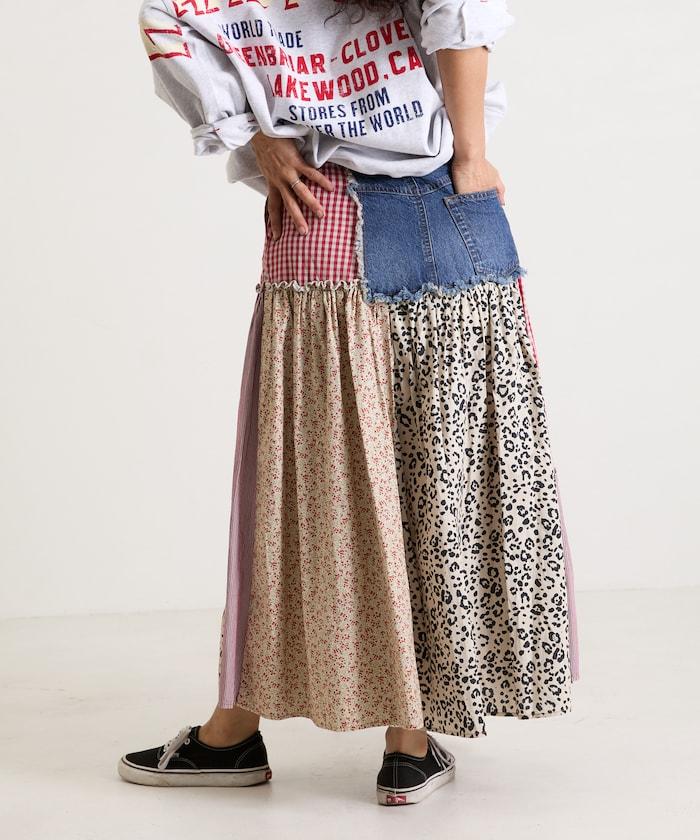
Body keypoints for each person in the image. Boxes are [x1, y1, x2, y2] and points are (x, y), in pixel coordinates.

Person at [119, 0, 580, 806]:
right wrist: (473, 156)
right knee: (442, 480)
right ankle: (408, 745)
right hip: (442, 199)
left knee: (308, 488)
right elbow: (459, 13)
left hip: (318, 209)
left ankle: (234, 729)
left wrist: (255, 136)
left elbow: (164, 16)